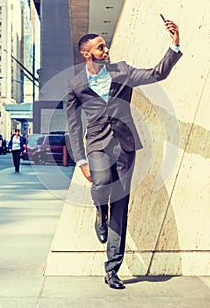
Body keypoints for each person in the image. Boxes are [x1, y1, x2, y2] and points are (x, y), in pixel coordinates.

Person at [66, 18, 182, 289]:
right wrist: (81, 158)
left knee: (121, 205)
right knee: (101, 185)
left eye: (105, 46)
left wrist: (174, 44)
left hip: (125, 146)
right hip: (96, 144)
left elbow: (157, 74)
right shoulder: (75, 84)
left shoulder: (122, 71)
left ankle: (112, 270)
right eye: (100, 47)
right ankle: (99, 212)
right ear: (87, 53)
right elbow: (73, 125)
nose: (106, 50)